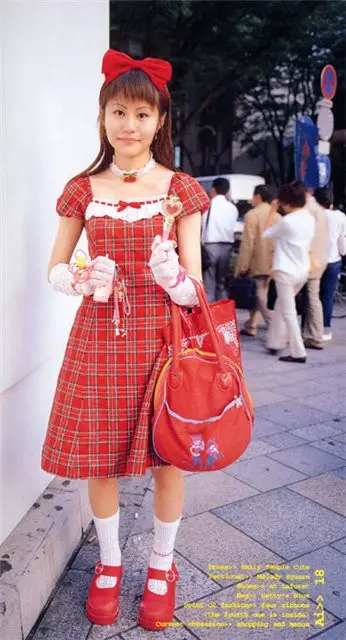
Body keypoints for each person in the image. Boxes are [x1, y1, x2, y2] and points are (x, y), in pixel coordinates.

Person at [41, 49, 209, 630]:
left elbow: (195, 290)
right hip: (99, 337)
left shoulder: (180, 190)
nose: (129, 125)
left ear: (160, 120)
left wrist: (173, 278)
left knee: (168, 458)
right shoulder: (83, 188)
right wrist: (85, 280)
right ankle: (110, 563)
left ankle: (162, 565)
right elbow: (56, 268)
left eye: (142, 114)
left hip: (164, 340)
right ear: (103, 116)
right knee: (99, 457)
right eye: (119, 112)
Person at [263, 181, 315, 363]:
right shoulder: (309, 218)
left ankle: (298, 352)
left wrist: (272, 210)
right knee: (281, 305)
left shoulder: (287, 222)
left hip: (286, 271)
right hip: (302, 269)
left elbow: (266, 232)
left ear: (286, 202)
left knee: (289, 312)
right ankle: (275, 341)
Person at [235, 185, 279, 336]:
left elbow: (248, 244)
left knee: (260, 295)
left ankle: (275, 326)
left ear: (258, 196)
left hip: (258, 260)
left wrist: (243, 266)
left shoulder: (252, 215)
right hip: (274, 261)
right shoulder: (277, 216)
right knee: (261, 292)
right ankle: (252, 324)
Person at [315, 188, 346, 341]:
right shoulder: (341, 217)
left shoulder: (313, 215)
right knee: (327, 296)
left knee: (312, 295)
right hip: (333, 260)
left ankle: (309, 327)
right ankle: (325, 329)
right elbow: (342, 240)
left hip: (315, 261)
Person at [201, 177, 238, 302]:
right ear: (227, 191)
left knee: (209, 281)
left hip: (211, 246)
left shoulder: (207, 205)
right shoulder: (233, 208)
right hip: (227, 247)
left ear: (213, 190)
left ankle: (210, 313)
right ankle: (223, 311)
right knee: (221, 282)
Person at [301, 187, 329, 350]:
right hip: (319, 260)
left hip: (308, 260)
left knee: (290, 297)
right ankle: (315, 335)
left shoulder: (307, 210)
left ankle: (285, 336)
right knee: (314, 297)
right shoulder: (320, 211)